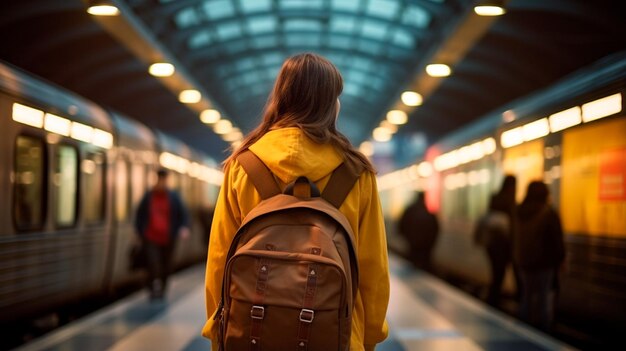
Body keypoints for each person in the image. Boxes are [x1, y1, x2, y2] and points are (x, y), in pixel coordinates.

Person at [202, 53, 390, 351]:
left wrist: (219, 331)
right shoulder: (357, 173)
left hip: (251, 333)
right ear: (330, 105)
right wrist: (366, 338)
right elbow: (373, 271)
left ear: (282, 98)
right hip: (336, 338)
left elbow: (219, 259)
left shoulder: (243, 165)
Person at [514, 181, 565, 330]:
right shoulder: (548, 213)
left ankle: (523, 329)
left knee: (526, 296)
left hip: (524, 261)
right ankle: (543, 330)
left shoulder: (518, 212)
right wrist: (560, 260)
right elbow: (557, 240)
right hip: (544, 263)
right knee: (543, 299)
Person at [135, 169, 190, 300]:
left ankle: (163, 288)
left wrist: (184, 227)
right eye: (160, 179)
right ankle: (153, 288)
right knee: (153, 264)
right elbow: (140, 214)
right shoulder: (149, 196)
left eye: (164, 179)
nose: (162, 182)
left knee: (166, 264)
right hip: (151, 237)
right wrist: (140, 231)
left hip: (168, 238)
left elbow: (183, 214)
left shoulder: (173, 197)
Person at [474, 175, 517, 307]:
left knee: (496, 274)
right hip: (504, 245)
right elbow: (513, 226)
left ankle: (493, 299)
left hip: (491, 245)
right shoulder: (510, 202)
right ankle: (493, 300)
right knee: (500, 274)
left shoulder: (494, 199)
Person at [398, 192, 439, 272]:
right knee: (424, 270)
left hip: (412, 247)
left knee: (412, 268)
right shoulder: (429, 213)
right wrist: (430, 244)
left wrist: (408, 239)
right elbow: (436, 230)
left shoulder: (409, 211)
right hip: (426, 250)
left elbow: (401, 227)